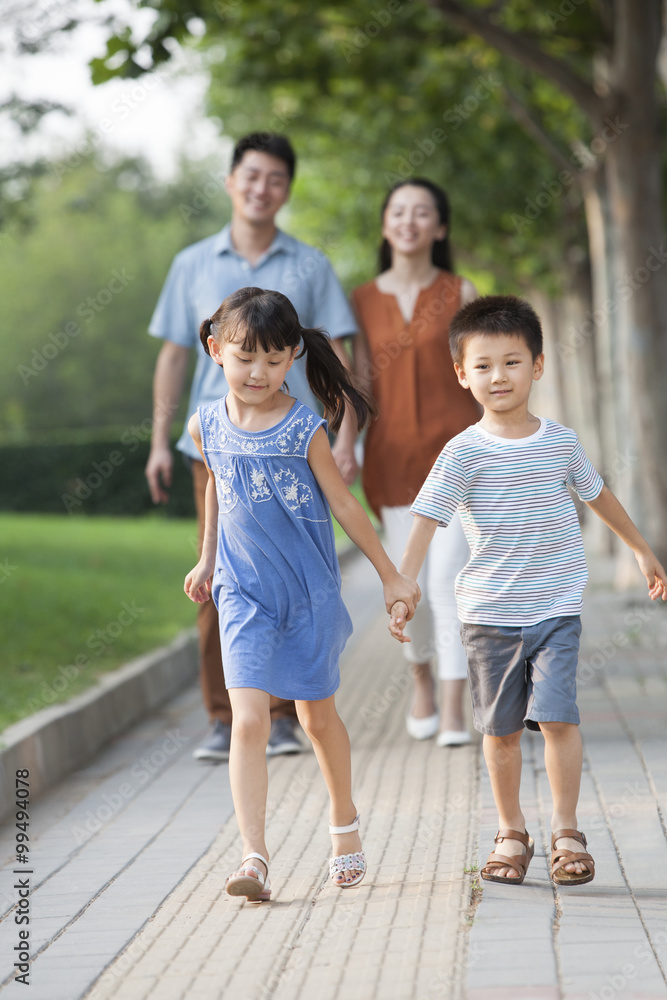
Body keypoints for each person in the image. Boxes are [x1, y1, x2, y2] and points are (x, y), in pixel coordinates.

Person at [390, 294, 666, 886]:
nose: (499, 376)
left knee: (560, 719)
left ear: (538, 366)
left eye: (512, 362)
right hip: (489, 613)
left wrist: (642, 549)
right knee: (501, 730)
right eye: (483, 365)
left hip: (557, 607)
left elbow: (597, 497)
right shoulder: (462, 451)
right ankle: (511, 830)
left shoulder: (560, 442)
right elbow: (427, 519)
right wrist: (403, 582)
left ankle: (567, 830)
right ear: (462, 374)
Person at [183, 287, 420, 901]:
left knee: (317, 718)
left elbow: (344, 504)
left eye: (272, 359)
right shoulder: (205, 423)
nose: (256, 372)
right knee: (249, 720)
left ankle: (344, 825)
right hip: (241, 594)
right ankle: (254, 855)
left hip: (307, 593)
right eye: (243, 357)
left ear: (292, 357)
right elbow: (215, 487)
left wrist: (391, 574)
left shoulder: (302, 427)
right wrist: (208, 559)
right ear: (216, 351)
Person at [146, 133, 359, 762]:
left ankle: (287, 712)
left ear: (287, 189)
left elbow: (335, 352)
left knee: (293, 574)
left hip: (293, 449)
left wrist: (348, 435)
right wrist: (161, 439)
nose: (261, 187)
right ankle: (225, 715)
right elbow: (172, 355)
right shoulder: (191, 263)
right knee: (219, 575)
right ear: (231, 181)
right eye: (251, 175)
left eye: (274, 179)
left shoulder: (312, 265)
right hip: (216, 450)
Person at [351, 179, 479, 747]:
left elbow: (484, 373)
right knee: (410, 583)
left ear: (440, 227)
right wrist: (343, 446)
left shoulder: (461, 292)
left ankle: (454, 703)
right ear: (385, 224)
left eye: (422, 212)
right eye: (398, 211)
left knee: (449, 580)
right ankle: (421, 679)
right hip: (391, 464)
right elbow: (354, 384)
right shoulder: (359, 301)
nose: (409, 221)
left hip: (458, 461)